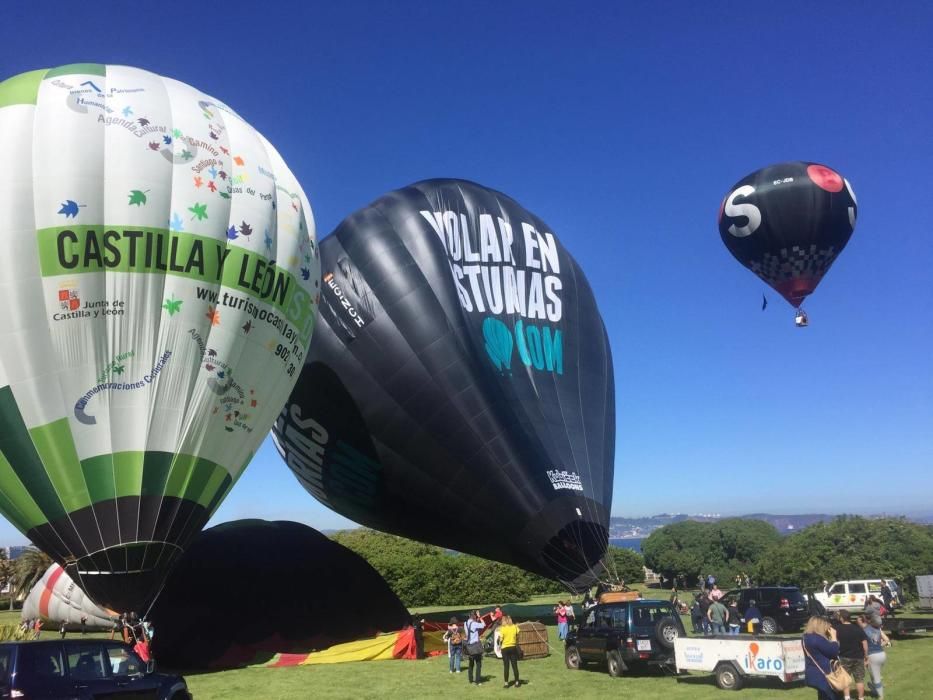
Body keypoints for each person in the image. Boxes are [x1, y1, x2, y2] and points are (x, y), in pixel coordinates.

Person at [803, 615, 841, 700]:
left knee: (822, 696)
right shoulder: (818, 639)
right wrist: (834, 638)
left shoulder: (806, 637)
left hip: (813, 672)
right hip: (824, 674)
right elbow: (833, 652)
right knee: (831, 696)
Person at [833, 610, 867, 700]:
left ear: (842, 618)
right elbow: (864, 643)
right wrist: (866, 656)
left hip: (844, 656)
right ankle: (861, 698)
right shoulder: (857, 628)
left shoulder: (838, 629)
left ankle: (847, 697)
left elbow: (835, 642)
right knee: (859, 679)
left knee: (845, 678)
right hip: (858, 657)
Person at [857, 614, 889, 699]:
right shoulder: (877, 629)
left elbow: (863, 646)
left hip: (872, 656)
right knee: (874, 675)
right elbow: (887, 640)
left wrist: (865, 657)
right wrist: (879, 645)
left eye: (858, 621)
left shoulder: (863, 631)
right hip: (882, 654)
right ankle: (874, 689)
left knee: (876, 677)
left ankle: (881, 697)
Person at [464, 610, 486, 686]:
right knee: (478, 664)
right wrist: (480, 617)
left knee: (471, 663)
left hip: (469, 645)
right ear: (474, 616)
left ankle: (470, 679)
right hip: (475, 645)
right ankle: (478, 680)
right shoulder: (474, 624)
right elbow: (483, 625)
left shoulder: (465, 623)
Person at [499, 614, 521, 688]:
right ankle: (517, 682)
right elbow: (518, 634)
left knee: (506, 666)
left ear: (505, 621)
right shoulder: (515, 627)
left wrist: (499, 643)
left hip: (505, 648)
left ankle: (506, 683)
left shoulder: (502, 628)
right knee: (514, 666)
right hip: (513, 647)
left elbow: (501, 639)